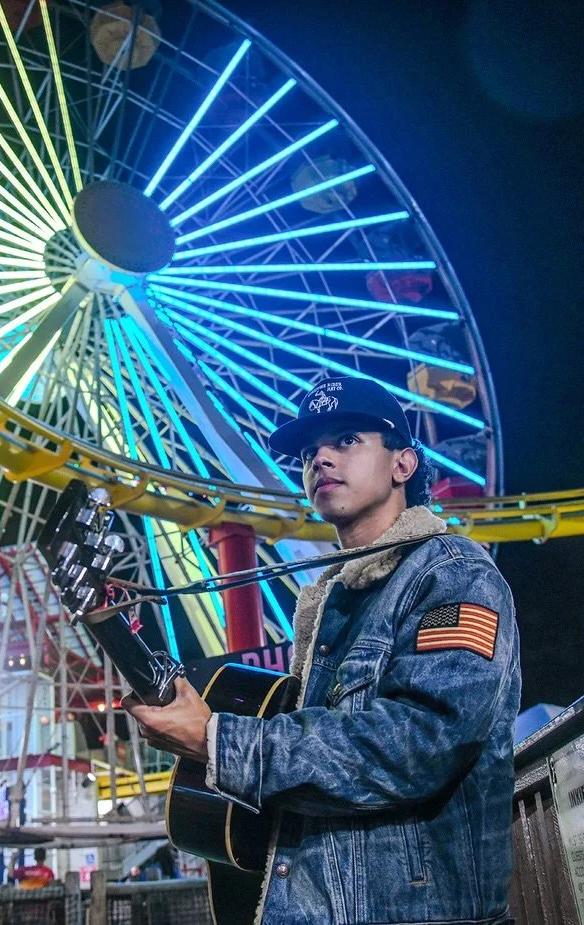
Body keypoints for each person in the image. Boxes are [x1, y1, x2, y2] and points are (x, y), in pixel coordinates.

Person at [124, 376, 521, 925]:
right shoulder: (330, 604)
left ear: (403, 464)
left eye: (347, 441)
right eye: (310, 452)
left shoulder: (453, 575)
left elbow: (424, 741)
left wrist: (219, 740)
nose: (321, 460)